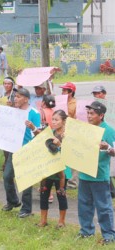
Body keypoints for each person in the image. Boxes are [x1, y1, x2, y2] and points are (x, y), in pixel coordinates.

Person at [77, 101, 115, 245]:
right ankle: (86, 231)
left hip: (99, 176)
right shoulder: (85, 129)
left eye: (92, 113)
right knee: (84, 205)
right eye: (88, 113)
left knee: (103, 207)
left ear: (101, 115)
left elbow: (114, 152)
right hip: (84, 174)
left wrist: (108, 148)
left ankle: (109, 235)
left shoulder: (109, 131)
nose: (89, 116)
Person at [2, 88, 41, 218]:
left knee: (26, 180)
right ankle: (12, 201)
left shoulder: (34, 113)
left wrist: (32, 127)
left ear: (26, 98)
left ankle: (26, 208)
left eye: (18, 97)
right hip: (14, 148)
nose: (15, 99)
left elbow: (40, 134)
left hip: (27, 150)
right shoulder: (14, 111)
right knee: (7, 176)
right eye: (15, 97)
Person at [38, 110, 70, 228]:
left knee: (61, 194)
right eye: (53, 119)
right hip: (48, 169)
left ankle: (61, 221)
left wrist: (60, 145)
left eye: (57, 120)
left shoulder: (68, 135)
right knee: (43, 193)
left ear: (64, 121)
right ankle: (43, 220)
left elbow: (71, 152)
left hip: (62, 170)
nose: (54, 122)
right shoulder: (49, 133)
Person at [60, 82, 78, 189]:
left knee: (73, 156)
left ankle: (73, 181)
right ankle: (63, 178)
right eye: (62, 90)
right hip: (61, 132)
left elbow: (78, 117)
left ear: (71, 92)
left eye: (64, 90)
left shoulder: (76, 103)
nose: (62, 92)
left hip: (71, 132)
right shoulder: (59, 101)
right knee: (62, 155)